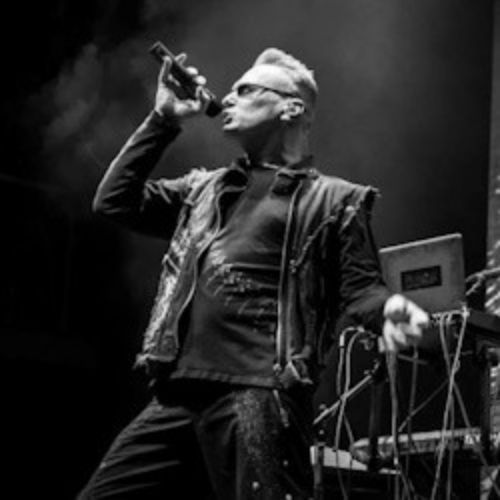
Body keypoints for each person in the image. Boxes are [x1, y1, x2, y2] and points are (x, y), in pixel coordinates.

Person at [78, 47, 429, 499]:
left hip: (258, 393)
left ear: (292, 108)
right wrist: (162, 119)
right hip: (177, 396)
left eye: (245, 90)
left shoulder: (335, 200)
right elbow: (114, 201)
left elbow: (361, 291)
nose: (228, 98)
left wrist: (390, 311)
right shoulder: (202, 190)